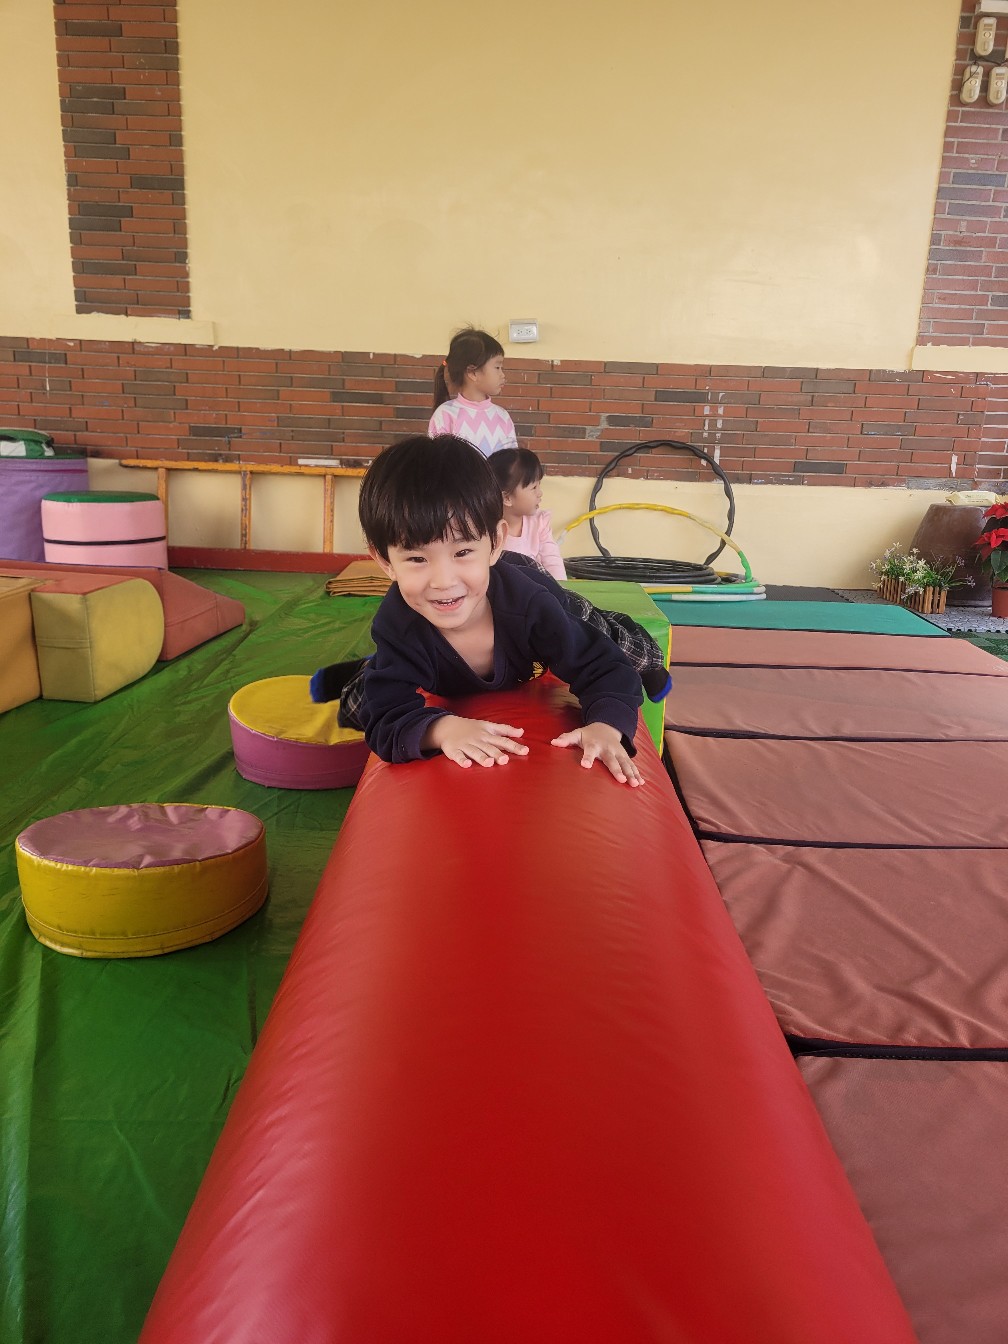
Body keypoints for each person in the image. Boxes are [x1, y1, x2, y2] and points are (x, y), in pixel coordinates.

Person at [311, 434, 649, 784]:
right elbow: (384, 717)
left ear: (495, 542)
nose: (443, 581)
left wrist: (606, 725)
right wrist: (442, 729)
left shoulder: (531, 606)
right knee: (359, 703)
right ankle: (358, 669)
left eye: (462, 552)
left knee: (624, 648)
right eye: (416, 559)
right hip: (448, 637)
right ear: (385, 561)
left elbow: (604, 665)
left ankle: (638, 648)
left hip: (532, 585)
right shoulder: (399, 624)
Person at [428, 327, 518, 458]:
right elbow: (437, 462)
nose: (502, 375)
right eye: (497, 367)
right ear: (473, 372)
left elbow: (512, 462)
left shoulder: (502, 416)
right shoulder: (445, 414)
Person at [489, 446, 566, 581]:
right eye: (534, 487)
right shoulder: (486, 529)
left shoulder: (539, 523)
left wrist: (561, 588)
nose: (540, 493)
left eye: (539, 485)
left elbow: (552, 560)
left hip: (534, 587)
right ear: (507, 498)